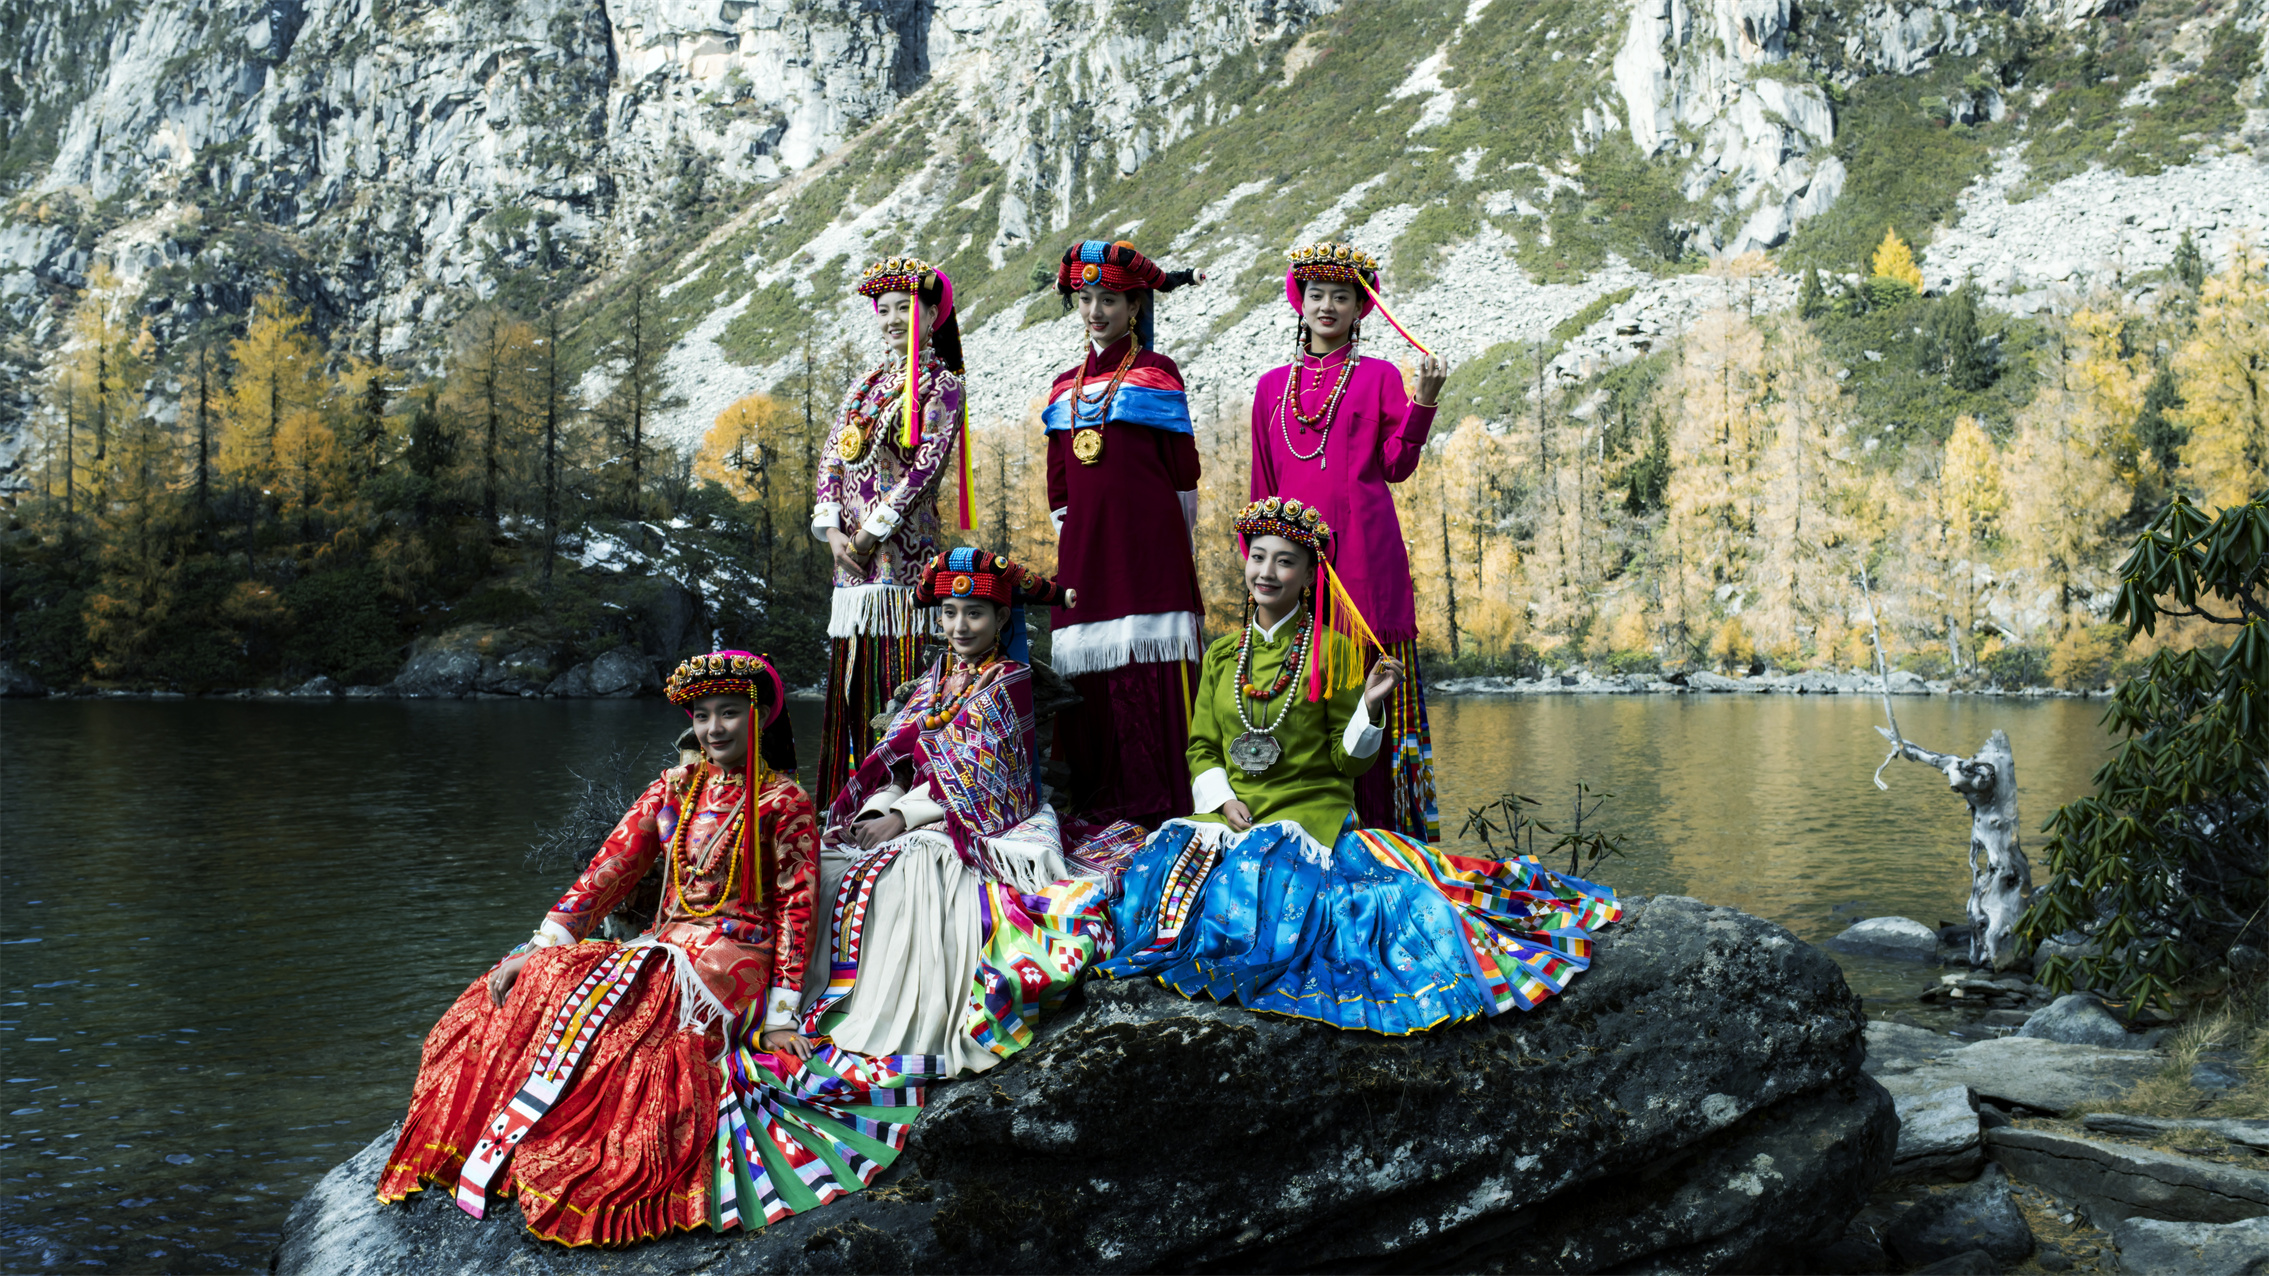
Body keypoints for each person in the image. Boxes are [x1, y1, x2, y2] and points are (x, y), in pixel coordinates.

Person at [1097, 499, 1619, 1033]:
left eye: (1285, 561)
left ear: (1309, 576)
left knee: (1264, 881)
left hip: (1306, 815)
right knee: (1155, 872)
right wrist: (1222, 799)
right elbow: (1203, 748)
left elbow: (1347, 761)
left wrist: (1369, 706)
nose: (1267, 572)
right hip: (1231, 813)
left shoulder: (1336, 651)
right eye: (1258, 557)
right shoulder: (1223, 656)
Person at [379, 651, 816, 1245]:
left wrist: (784, 1015)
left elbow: (797, 909)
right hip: (665, 944)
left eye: (730, 713)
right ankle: (503, 1146)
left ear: (759, 717)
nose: (714, 728)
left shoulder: (784, 802)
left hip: (734, 956)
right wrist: (539, 946)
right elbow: (608, 871)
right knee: (539, 983)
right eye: (703, 715)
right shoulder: (674, 788)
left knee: (636, 1026)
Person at [802, 547, 1141, 1077]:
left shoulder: (1009, 680)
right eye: (949, 613)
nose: (960, 626)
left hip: (976, 819)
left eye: (975, 613)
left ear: (1002, 618)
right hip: (913, 807)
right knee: (828, 867)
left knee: (913, 877)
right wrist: (876, 809)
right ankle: (824, 998)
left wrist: (903, 819)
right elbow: (898, 756)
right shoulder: (938, 675)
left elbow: (985, 780)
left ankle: (899, 1014)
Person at [1250, 241, 1448, 842]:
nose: (1328, 305)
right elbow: (1262, 489)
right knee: (1298, 689)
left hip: (1366, 557)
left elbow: (1396, 466)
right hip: (1295, 566)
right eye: (1316, 294)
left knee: (1368, 686)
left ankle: (1383, 831)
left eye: (1342, 296)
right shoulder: (1270, 388)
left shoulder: (1380, 377)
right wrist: (1261, 573)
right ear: (1300, 301)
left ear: (1362, 307)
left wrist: (1423, 404)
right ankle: (1299, 821)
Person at [1043, 239, 1206, 829]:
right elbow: (1059, 484)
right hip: (1086, 551)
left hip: (1150, 545)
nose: (1095, 311)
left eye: (1109, 299)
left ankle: (1168, 806)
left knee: (1154, 665)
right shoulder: (1063, 385)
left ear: (1134, 306)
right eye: (1086, 299)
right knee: (1090, 680)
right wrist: (1077, 537)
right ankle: (1095, 808)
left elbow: (1182, 470)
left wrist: (1173, 541)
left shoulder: (1158, 373)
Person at [812, 256, 973, 807]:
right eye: (884, 310)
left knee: (897, 680)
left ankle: (896, 797)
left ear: (932, 315)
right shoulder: (865, 385)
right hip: (850, 566)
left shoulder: (942, 384)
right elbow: (832, 458)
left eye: (905, 308)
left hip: (903, 561)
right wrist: (833, 531)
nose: (892, 320)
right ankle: (847, 801)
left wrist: (870, 534)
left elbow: (925, 469)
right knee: (852, 687)